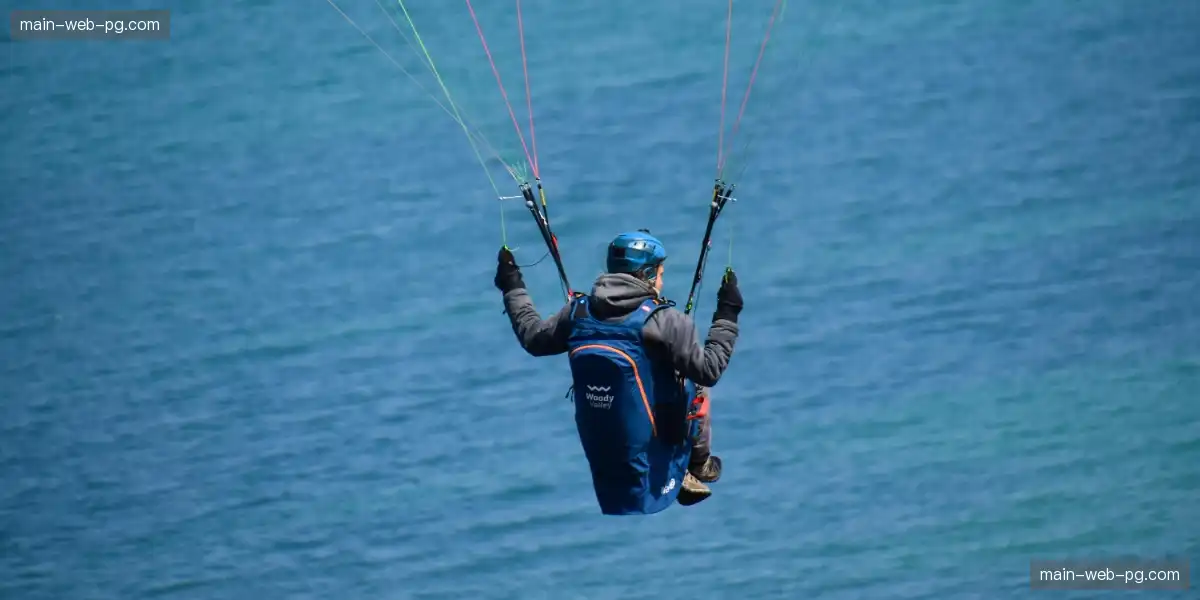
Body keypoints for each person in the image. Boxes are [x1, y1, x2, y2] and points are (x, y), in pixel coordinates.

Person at [493, 229, 743, 515]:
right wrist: (728, 312)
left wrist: (512, 285)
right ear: (648, 274)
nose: (662, 282)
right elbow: (710, 369)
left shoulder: (576, 314)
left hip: (607, 454)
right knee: (695, 383)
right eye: (660, 274)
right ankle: (699, 464)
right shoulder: (666, 321)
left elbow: (532, 337)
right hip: (657, 447)